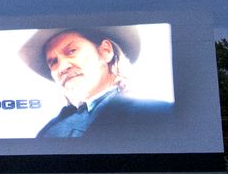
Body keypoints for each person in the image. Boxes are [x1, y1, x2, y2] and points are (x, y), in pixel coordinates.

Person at [20, 27, 167, 139]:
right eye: (53, 62)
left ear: (105, 51)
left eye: (71, 51)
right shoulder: (50, 131)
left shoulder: (157, 116)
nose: (62, 67)